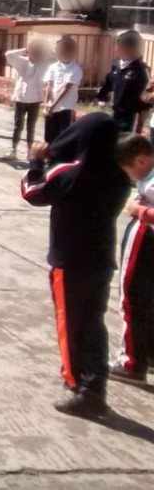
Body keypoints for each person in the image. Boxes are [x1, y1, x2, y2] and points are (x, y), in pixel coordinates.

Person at [22, 113, 131, 417]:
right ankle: (94, 380)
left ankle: (80, 387)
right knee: (92, 323)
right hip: (100, 259)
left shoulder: (71, 173)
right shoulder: (119, 175)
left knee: (70, 325)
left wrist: (35, 161)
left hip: (70, 260)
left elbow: (32, 193)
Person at [112, 135, 154, 385]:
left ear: (139, 161)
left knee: (133, 297)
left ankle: (131, 362)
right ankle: (147, 353)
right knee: (147, 298)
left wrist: (140, 211)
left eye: (129, 172)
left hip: (146, 238)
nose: (129, 177)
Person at [5, 40, 52, 160]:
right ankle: (13, 150)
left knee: (31, 126)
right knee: (18, 125)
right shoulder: (22, 62)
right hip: (21, 98)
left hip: (35, 100)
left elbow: (55, 57)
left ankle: (29, 151)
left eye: (37, 51)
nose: (35, 53)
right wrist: (24, 50)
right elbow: (8, 55)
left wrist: (44, 49)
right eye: (33, 51)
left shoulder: (44, 63)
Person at [98, 30, 149, 134]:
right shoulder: (116, 65)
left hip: (130, 116)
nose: (117, 50)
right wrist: (102, 95)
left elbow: (145, 97)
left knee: (124, 144)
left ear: (133, 49)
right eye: (118, 47)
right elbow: (109, 80)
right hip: (114, 112)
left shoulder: (140, 70)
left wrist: (140, 123)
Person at [43, 36, 82, 145]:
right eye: (58, 50)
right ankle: (49, 159)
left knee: (64, 137)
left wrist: (53, 105)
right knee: (49, 136)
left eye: (63, 50)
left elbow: (66, 88)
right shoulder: (53, 67)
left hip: (66, 108)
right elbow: (48, 85)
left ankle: (62, 159)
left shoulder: (75, 68)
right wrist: (47, 103)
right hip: (51, 107)